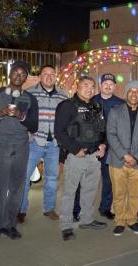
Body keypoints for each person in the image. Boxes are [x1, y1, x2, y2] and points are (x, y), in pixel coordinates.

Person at [0, 60, 39, 239]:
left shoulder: (30, 99)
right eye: (16, 72)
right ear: (10, 74)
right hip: (0, 144)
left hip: (21, 145)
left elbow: (34, 126)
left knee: (17, 186)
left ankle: (10, 224)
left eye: (23, 74)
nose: (19, 76)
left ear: (25, 78)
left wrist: (21, 116)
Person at [55, 76, 107, 241]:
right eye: (85, 85)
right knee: (70, 192)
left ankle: (87, 220)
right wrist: (75, 149)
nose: (89, 89)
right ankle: (66, 226)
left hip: (94, 157)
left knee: (90, 190)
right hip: (75, 156)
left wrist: (103, 145)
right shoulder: (67, 106)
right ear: (77, 87)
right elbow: (59, 132)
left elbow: (102, 130)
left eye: (92, 86)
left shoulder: (97, 106)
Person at [18, 65, 68, 224]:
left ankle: (49, 208)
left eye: (52, 74)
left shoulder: (63, 95)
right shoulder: (29, 93)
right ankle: (21, 209)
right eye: (45, 74)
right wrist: (26, 134)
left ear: (56, 77)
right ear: (40, 77)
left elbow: (67, 119)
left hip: (54, 144)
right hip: (34, 143)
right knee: (24, 177)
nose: (49, 77)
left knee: (52, 178)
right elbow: (20, 116)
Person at [107, 81, 138, 236]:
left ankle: (132, 220)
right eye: (131, 91)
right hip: (117, 160)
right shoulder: (115, 111)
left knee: (134, 194)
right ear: (126, 93)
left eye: (137, 92)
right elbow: (111, 135)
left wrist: (137, 157)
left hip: (137, 163)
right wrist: (125, 155)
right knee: (118, 193)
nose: (134, 94)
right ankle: (120, 221)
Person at [93, 73, 124, 219]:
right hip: (92, 147)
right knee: (87, 180)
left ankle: (105, 207)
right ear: (100, 85)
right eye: (105, 83)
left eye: (111, 84)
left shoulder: (120, 103)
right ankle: (77, 209)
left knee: (108, 180)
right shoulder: (91, 101)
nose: (108, 85)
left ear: (115, 87)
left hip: (110, 148)